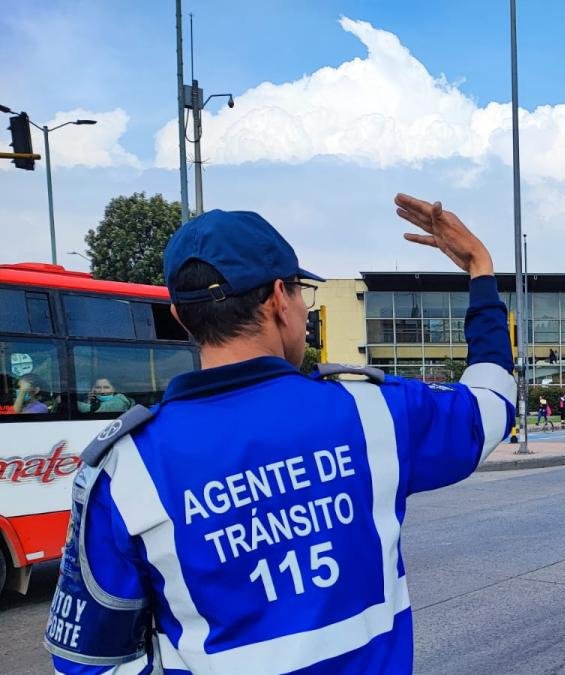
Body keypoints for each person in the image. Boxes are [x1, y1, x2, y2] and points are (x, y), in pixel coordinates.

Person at [45, 199, 516, 674]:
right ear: (276, 299)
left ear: (182, 317)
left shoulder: (125, 468)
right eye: (300, 293)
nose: (304, 311)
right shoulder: (374, 411)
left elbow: (90, 662)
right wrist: (480, 270)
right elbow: (491, 405)